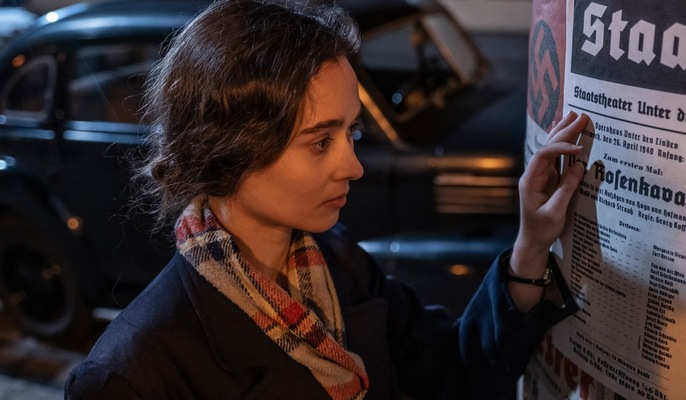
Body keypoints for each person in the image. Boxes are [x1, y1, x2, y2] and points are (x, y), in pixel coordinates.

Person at [64, 0, 589, 398]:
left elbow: (453, 371)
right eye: (320, 142)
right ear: (229, 150)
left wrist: (530, 246)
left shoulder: (339, 262)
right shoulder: (133, 371)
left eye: (350, 133)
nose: (353, 166)